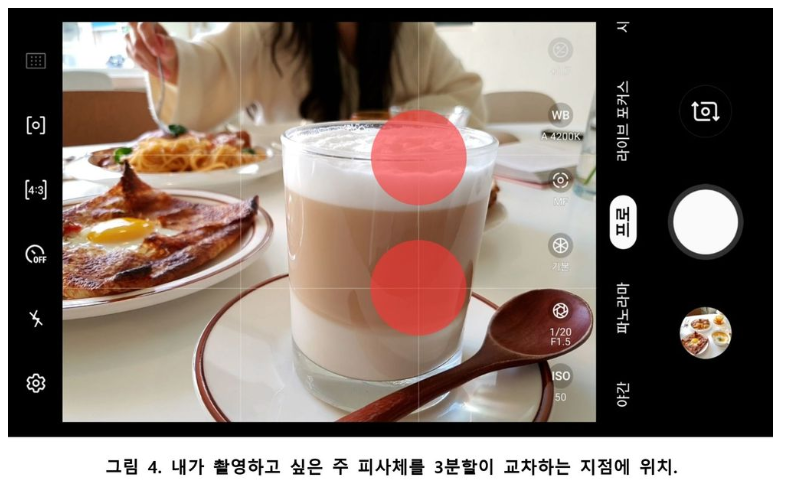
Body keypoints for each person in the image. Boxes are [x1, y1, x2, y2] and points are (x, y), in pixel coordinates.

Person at [126, 22, 486, 130]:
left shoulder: (412, 32)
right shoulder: (270, 29)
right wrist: (174, 62)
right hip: (287, 199)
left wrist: (392, 123)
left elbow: (465, 102)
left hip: (402, 197)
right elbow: (212, 62)